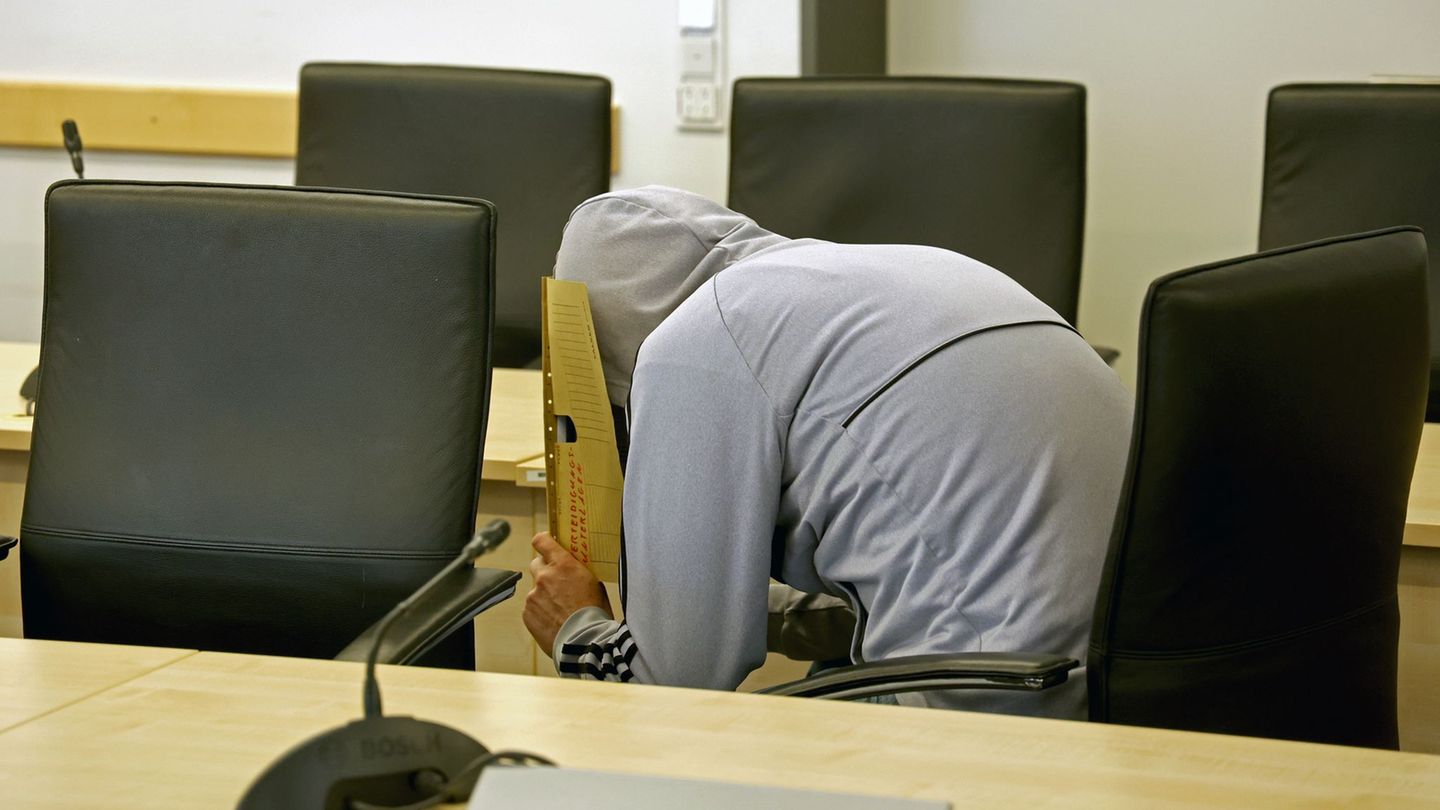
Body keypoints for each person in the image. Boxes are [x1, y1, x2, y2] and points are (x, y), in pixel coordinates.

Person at [522, 186, 1132, 718]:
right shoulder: (915, 267)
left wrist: (575, 628)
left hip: (994, 709)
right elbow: (926, 568)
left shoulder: (693, 341)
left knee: (703, 752)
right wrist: (708, 604)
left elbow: (669, 690)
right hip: (1142, 678)